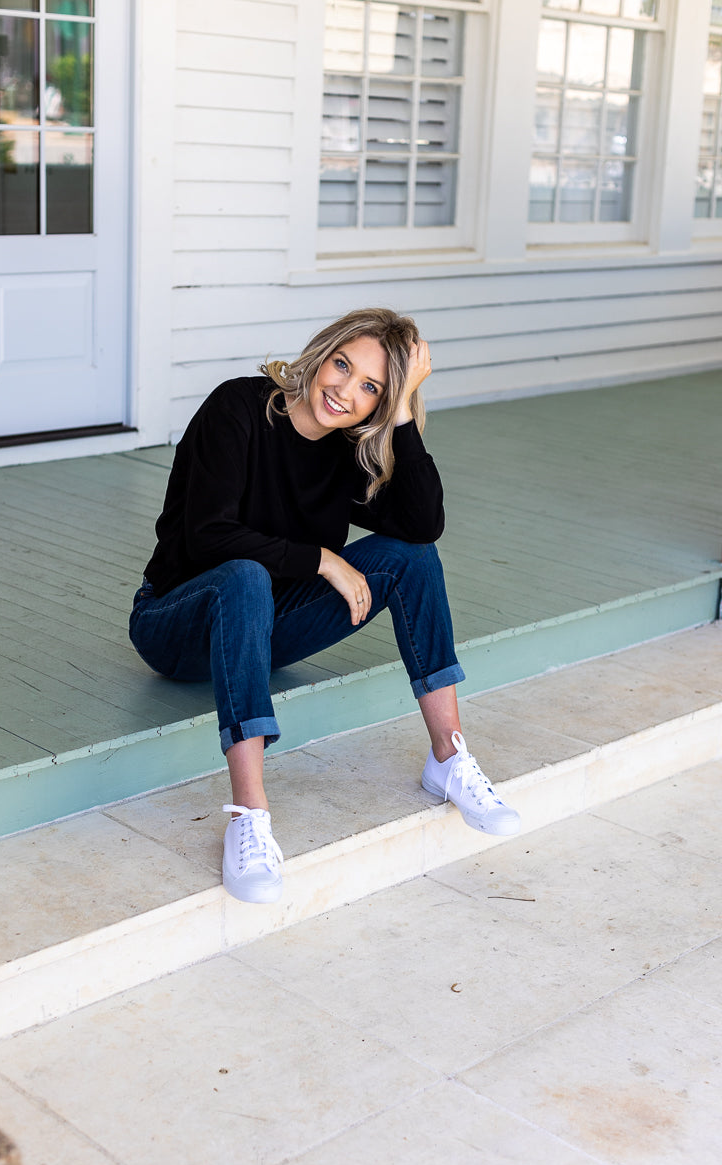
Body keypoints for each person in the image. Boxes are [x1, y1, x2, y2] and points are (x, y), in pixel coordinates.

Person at [129, 308, 520, 904]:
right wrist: (323, 559)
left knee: (410, 560)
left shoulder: (346, 452)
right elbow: (209, 534)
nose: (344, 390)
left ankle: (449, 758)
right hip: (176, 623)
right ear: (321, 353)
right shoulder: (239, 408)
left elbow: (422, 525)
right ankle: (249, 818)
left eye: (371, 388)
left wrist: (406, 411)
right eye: (343, 365)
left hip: (264, 631)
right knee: (243, 577)